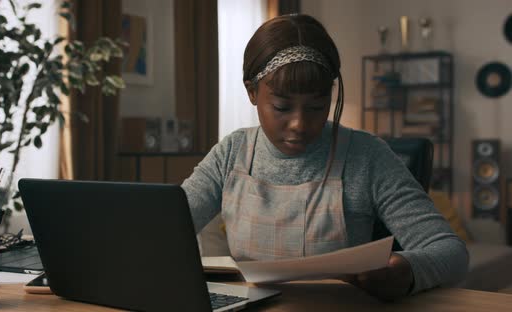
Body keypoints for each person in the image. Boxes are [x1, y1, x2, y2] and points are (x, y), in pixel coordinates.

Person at [181, 14, 468, 301]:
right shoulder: (230, 153)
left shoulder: (367, 156)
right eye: (282, 107)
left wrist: (406, 270)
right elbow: (165, 229)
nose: (299, 124)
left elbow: (450, 251)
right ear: (252, 92)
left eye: (317, 106)